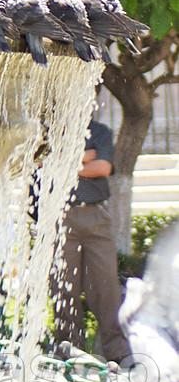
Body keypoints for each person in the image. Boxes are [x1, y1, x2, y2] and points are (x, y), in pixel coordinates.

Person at [54, 115, 128, 366]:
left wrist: (67, 164)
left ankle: (117, 350)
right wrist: (84, 159)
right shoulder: (54, 130)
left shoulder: (100, 131)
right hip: (62, 215)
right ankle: (69, 350)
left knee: (106, 285)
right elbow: (44, 165)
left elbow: (103, 168)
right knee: (64, 286)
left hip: (96, 215)